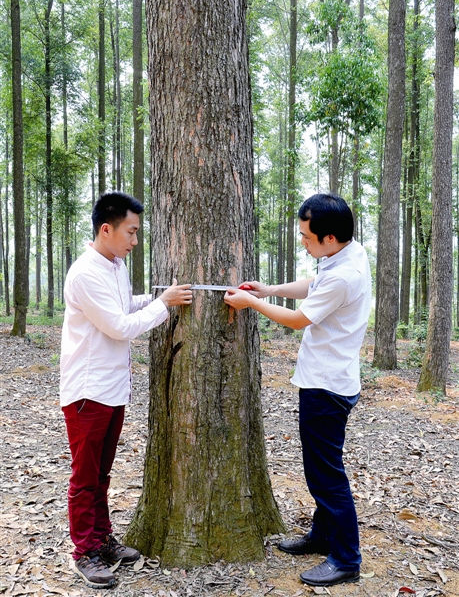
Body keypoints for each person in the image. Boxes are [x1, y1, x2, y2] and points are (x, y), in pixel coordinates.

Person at [224, 193, 371, 588]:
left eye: (307, 237)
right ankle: (323, 536)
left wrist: (250, 303)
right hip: (329, 379)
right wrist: (268, 289)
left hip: (327, 386)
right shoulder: (346, 254)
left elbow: (298, 320)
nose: (303, 242)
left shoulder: (344, 275)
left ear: (329, 238)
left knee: (326, 475)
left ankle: (346, 559)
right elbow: (313, 285)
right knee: (320, 469)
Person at [60, 191, 193, 589]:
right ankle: (84, 552)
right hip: (88, 392)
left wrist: (155, 298)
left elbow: (122, 307)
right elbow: (119, 327)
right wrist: (163, 305)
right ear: (107, 229)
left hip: (113, 388)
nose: (135, 240)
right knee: (85, 477)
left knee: (101, 474)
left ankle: (102, 539)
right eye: (131, 232)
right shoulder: (84, 273)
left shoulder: (115, 265)